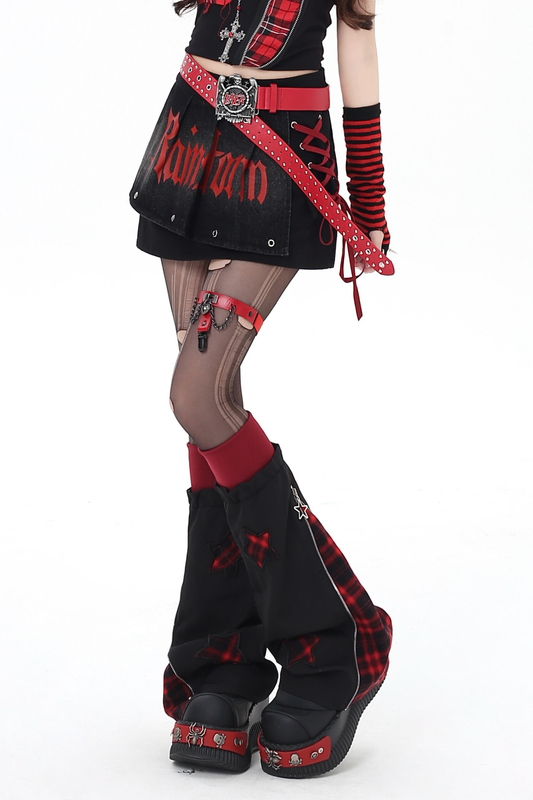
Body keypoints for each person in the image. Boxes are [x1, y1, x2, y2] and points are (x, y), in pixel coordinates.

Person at [130, 0, 393, 779]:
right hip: (188, 139)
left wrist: (369, 202)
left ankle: (334, 643)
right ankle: (224, 662)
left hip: (280, 153)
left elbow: (358, 40)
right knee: (209, 403)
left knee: (196, 397)